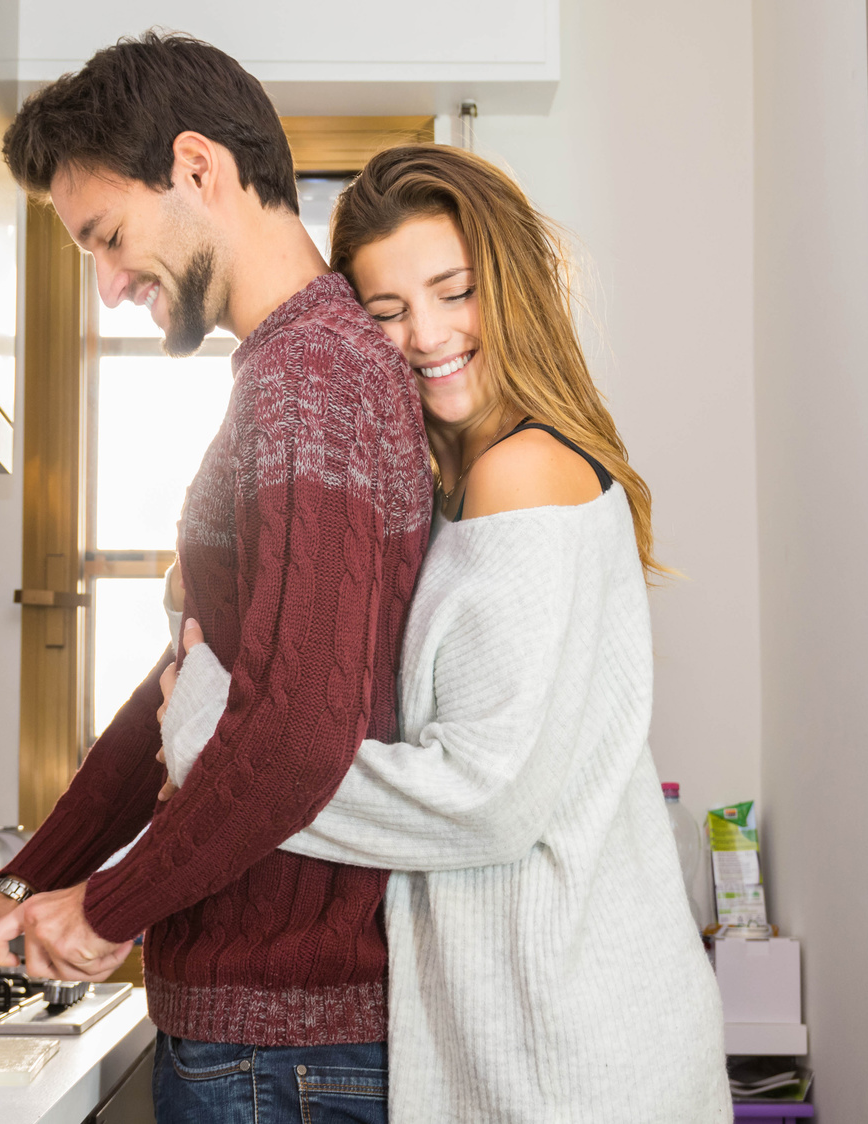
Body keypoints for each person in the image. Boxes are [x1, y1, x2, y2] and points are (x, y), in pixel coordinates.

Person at [0, 32, 434, 1124]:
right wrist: (23, 885)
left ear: (198, 167)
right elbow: (180, 685)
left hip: (287, 1042)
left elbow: (297, 730)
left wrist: (107, 908)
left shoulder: (314, 377)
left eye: (107, 237)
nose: (105, 289)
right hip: (266, 1034)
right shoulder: (287, 377)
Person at [157, 145, 732, 1122]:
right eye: (385, 311)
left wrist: (211, 734)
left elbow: (479, 801)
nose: (425, 335)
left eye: (452, 290)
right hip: (540, 1030)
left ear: (507, 286)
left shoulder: (522, 472)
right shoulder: (464, 482)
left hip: (567, 1052)